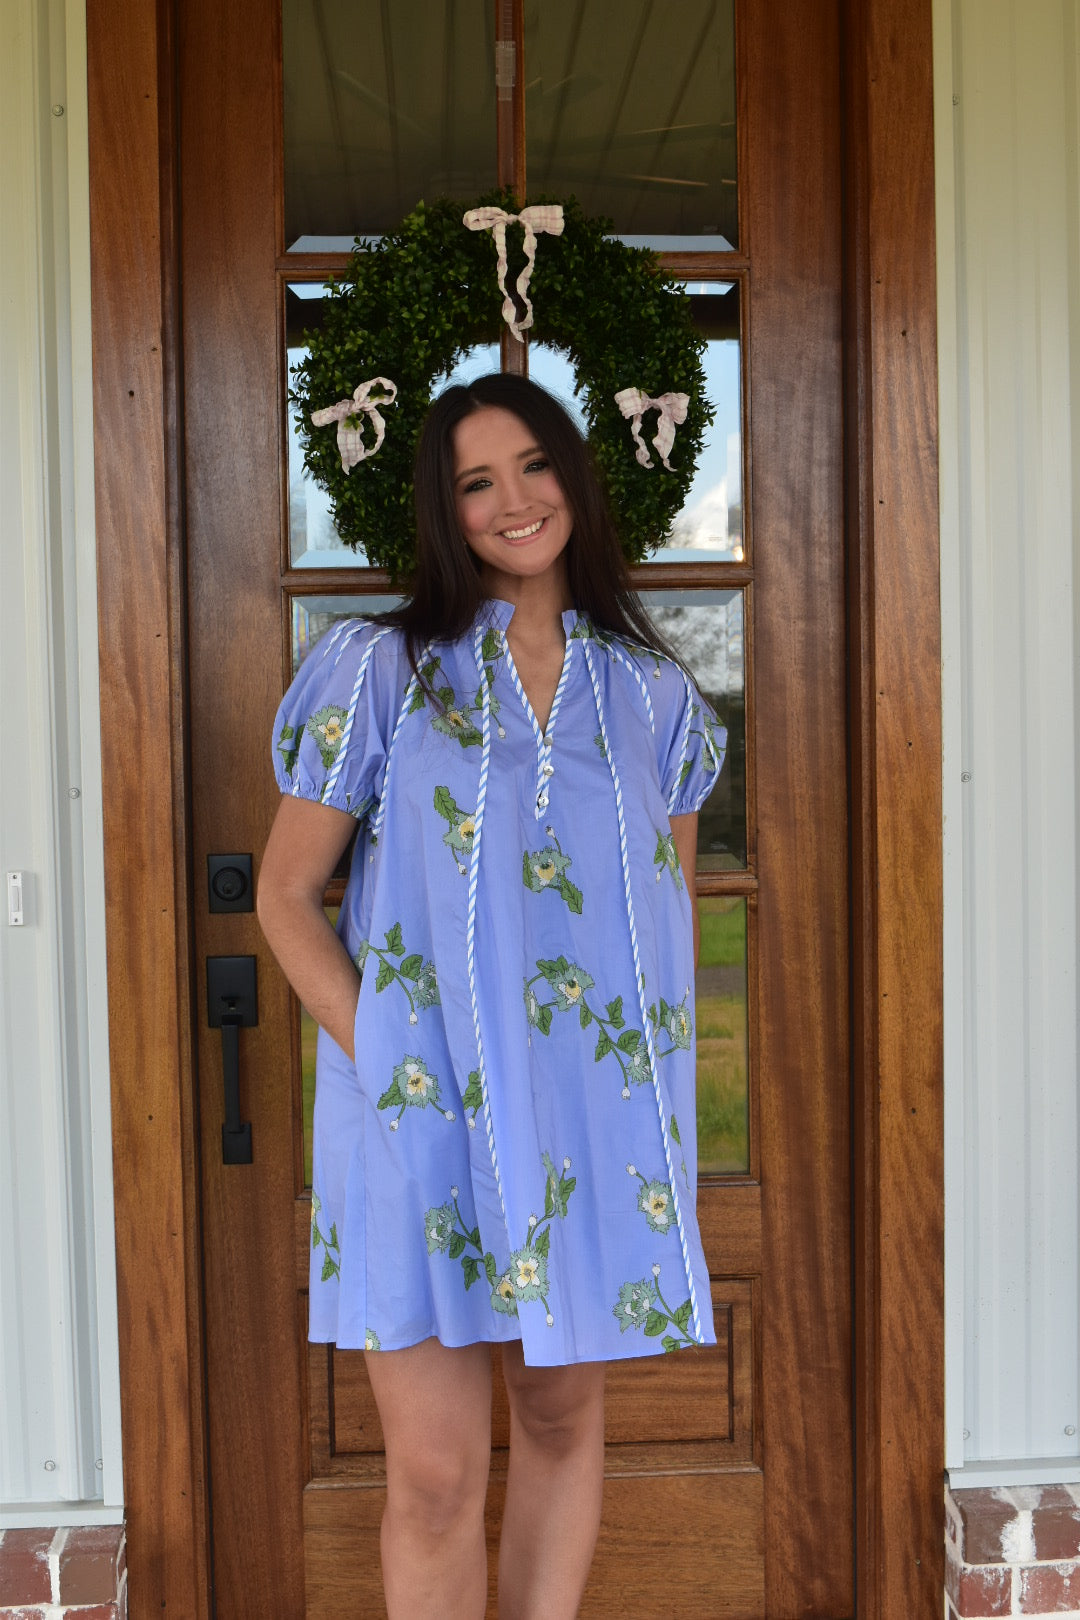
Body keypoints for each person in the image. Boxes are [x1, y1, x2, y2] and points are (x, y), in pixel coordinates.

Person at [257, 372, 726, 1619]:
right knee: (434, 1470)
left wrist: (651, 1135)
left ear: (576, 476)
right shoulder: (377, 670)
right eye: (475, 481)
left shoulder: (657, 697)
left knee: (566, 1426)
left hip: (583, 1134)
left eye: (533, 465)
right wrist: (390, 1059)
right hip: (416, 1126)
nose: (513, 501)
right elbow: (285, 896)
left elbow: (662, 939)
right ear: (442, 509)